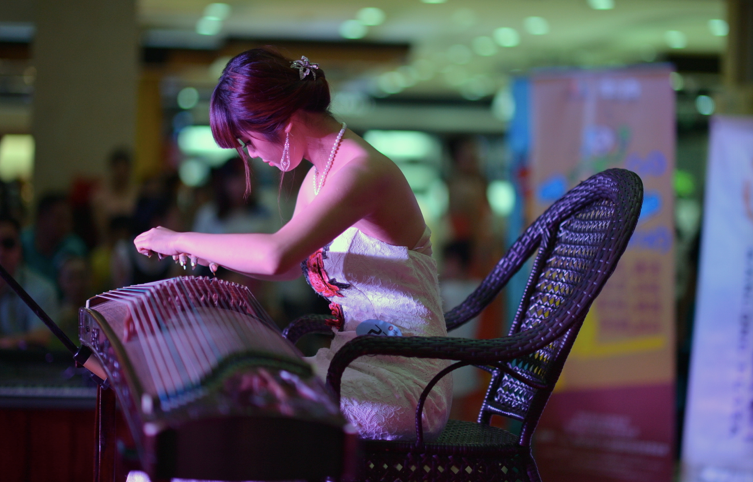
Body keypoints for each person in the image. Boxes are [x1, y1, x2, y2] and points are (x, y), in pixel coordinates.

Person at [134, 47, 452, 441]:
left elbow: (276, 255)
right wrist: (209, 251)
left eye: (248, 142)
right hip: (351, 364)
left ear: (282, 125)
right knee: (230, 384)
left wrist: (179, 239)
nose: (252, 155)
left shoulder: (363, 172)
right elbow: (288, 266)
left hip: (405, 383)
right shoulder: (320, 178)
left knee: (241, 398)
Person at [0, 215, 58, 349]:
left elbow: (42, 337)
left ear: (20, 248)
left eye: (8, 244)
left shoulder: (43, 289)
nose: (1, 252)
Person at [20, 192, 88, 290]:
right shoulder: (21, 243)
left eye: (68, 219)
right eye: (60, 219)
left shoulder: (74, 246)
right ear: (42, 218)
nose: (66, 225)